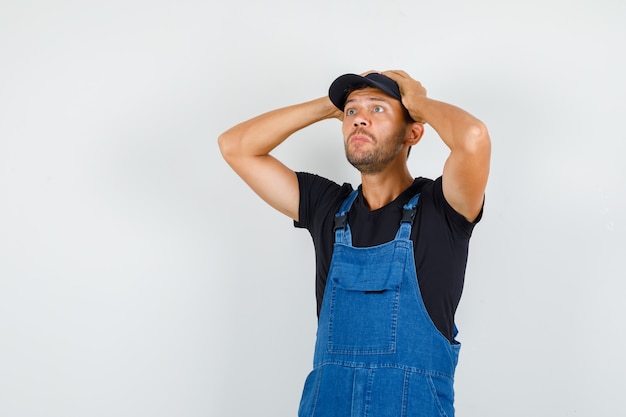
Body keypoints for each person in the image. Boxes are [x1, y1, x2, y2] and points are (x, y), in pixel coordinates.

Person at [218, 70, 491, 417]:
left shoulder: (442, 209)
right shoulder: (327, 208)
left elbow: (473, 137)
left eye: (377, 109)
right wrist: (329, 105)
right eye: (351, 112)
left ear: (414, 131)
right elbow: (236, 147)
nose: (360, 119)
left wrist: (417, 102)